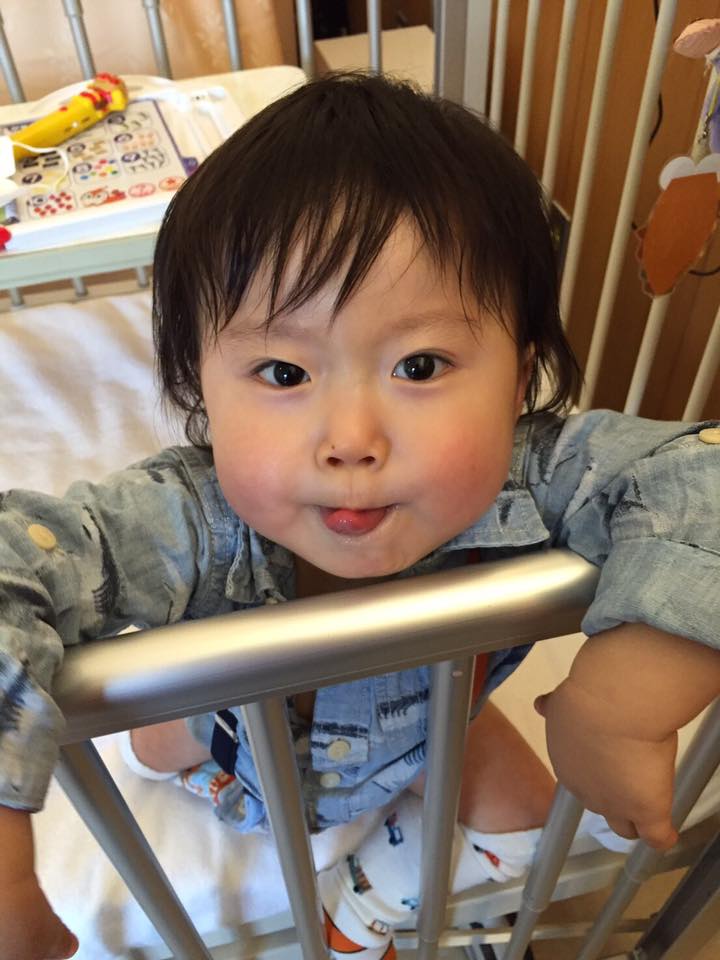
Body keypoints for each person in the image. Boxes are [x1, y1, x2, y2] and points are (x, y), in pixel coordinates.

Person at [0, 72, 719, 960]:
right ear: (198, 387)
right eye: (284, 373)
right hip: (234, 746)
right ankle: (194, 752)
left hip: (432, 732)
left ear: (519, 377)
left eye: (419, 366)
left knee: (537, 828)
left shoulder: (530, 477)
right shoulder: (181, 518)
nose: (350, 441)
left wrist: (627, 699)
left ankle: (367, 908)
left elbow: (703, 471)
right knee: (154, 742)